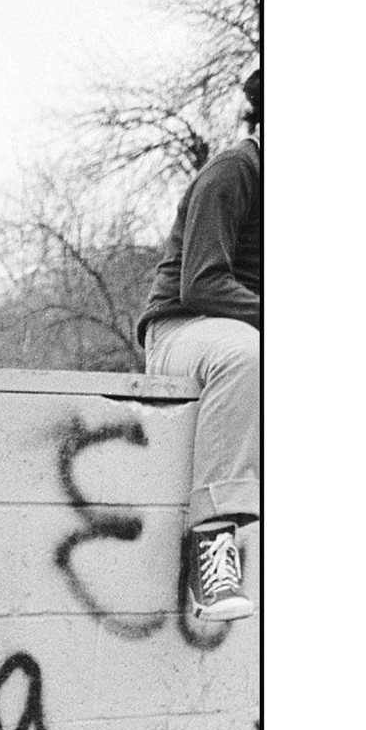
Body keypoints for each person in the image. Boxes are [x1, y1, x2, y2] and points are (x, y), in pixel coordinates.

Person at [140, 67, 260, 624]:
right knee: (244, 351)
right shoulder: (235, 171)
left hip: (239, 332)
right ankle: (212, 542)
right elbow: (202, 283)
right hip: (182, 331)